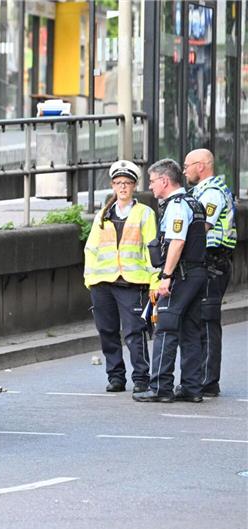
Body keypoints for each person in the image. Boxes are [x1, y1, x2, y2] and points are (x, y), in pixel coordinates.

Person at [133, 159, 208, 403]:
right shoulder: (194, 202)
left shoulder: (176, 205)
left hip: (181, 275)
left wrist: (166, 276)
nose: (151, 186)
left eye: (152, 181)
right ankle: (191, 387)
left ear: (164, 181)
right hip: (197, 273)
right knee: (190, 330)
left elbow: (177, 242)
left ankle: (160, 387)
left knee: (165, 328)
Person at [84, 160, 160, 393]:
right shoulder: (104, 214)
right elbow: (91, 248)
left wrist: (154, 281)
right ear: (113, 186)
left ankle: (140, 377)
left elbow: (152, 249)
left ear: (134, 186)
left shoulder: (144, 214)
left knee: (134, 332)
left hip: (131, 282)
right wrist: (89, 278)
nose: (123, 187)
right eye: (118, 183)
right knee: (107, 331)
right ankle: (116, 376)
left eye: (127, 183)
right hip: (102, 282)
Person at [183, 148, 238, 397]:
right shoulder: (201, 192)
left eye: (187, 165)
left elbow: (201, 226)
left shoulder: (212, 193)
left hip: (213, 263)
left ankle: (207, 381)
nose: (184, 170)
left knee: (206, 322)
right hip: (208, 263)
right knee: (200, 320)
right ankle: (200, 379)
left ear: (201, 166)